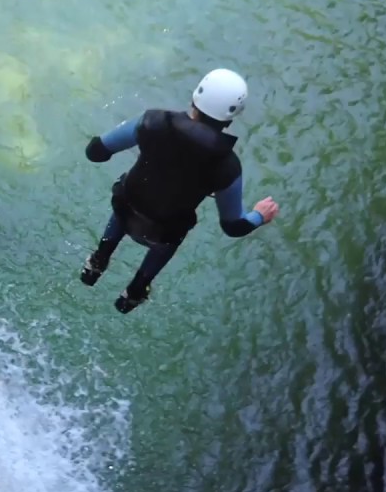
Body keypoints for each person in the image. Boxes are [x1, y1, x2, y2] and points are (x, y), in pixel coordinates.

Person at [80, 68, 280, 313]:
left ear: (194, 98)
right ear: (232, 118)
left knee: (130, 197)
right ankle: (134, 293)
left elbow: (96, 153)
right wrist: (259, 214)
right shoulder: (227, 166)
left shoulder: (152, 122)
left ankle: (97, 262)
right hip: (163, 232)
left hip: (126, 208)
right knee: (169, 231)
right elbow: (233, 226)